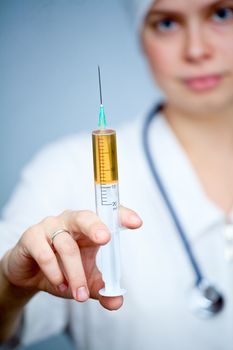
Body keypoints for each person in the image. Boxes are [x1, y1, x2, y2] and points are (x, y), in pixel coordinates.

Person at [1, 0, 233, 348]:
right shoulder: (62, 170)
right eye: (166, 23)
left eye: (222, 13)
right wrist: (11, 287)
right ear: (142, 37)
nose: (197, 50)